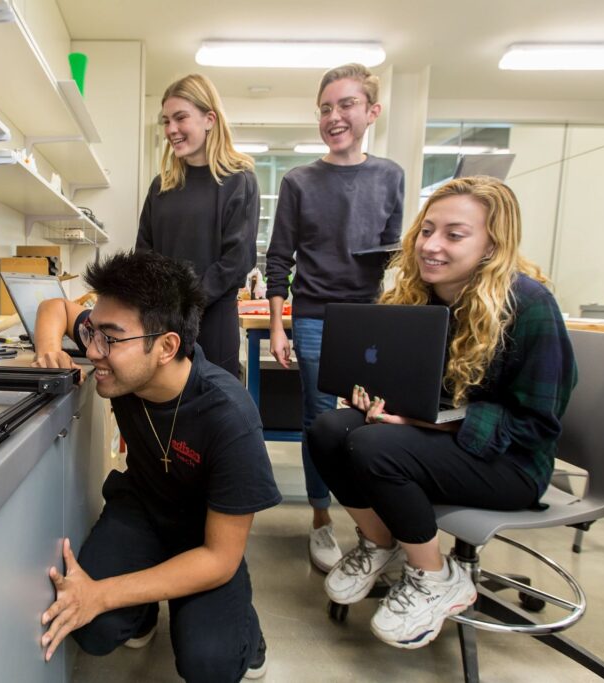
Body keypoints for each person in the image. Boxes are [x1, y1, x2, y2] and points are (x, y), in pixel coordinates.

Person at [307, 176, 577, 649]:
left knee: (373, 446)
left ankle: (435, 577)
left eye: (454, 234)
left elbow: (537, 425)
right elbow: (421, 396)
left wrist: (425, 422)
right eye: (427, 230)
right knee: (330, 429)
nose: (431, 246)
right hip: (442, 441)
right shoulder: (420, 298)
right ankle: (381, 544)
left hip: (513, 463)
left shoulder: (530, 305)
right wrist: (379, 400)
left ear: (493, 243)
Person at [33, 251, 281, 682]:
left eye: (109, 338)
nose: (93, 352)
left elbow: (220, 557)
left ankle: (244, 628)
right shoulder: (124, 363)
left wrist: (102, 594)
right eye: (92, 333)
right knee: (91, 629)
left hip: (206, 536)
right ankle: (140, 611)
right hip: (143, 508)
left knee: (211, 664)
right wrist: (49, 349)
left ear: (166, 346)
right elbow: (55, 307)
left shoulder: (230, 419)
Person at [264, 63, 405, 571]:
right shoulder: (300, 180)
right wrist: (279, 325)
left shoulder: (390, 175)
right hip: (314, 317)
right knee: (320, 420)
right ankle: (321, 519)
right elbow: (278, 258)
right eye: (326, 108)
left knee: (376, 422)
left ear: (372, 111)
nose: (334, 116)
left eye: (346, 105)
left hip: (369, 319)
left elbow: (394, 253)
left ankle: (376, 527)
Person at [137, 73, 260, 377]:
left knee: (212, 416)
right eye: (166, 121)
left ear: (209, 119)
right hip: (162, 327)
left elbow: (236, 261)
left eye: (180, 118)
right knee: (164, 418)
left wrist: (182, 306)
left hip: (213, 326)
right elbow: (144, 254)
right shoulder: (161, 186)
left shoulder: (239, 180)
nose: (171, 130)